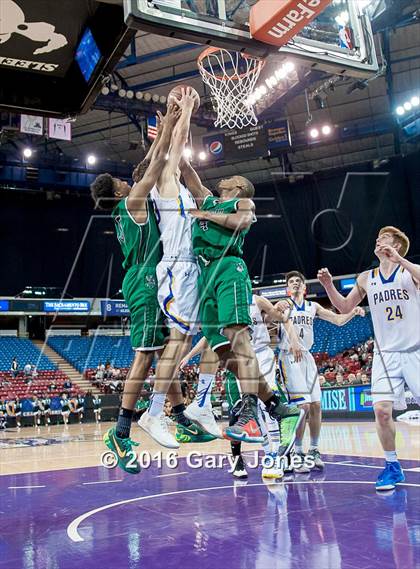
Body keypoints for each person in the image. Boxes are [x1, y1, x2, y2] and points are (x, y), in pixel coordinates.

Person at [91, 103, 206, 474]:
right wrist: (173, 121)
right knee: (146, 356)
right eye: (122, 181)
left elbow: (152, 168)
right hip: (143, 279)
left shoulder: (128, 207)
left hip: (148, 275)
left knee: (163, 352)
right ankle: (121, 431)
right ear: (118, 191)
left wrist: (165, 133)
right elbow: (155, 167)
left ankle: (178, 413)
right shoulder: (132, 203)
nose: (127, 180)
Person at [188, 171, 303, 446]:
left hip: (228, 268)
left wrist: (204, 216)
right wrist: (174, 133)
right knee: (225, 355)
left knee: (237, 334)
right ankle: (279, 407)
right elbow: (185, 170)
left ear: (238, 186)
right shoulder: (207, 200)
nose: (220, 180)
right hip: (205, 276)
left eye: (228, 179)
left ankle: (250, 410)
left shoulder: (243, 203)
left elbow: (240, 223)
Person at [138, 88, 220, 447]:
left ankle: (201, 404)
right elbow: (170, 159)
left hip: (193, 271)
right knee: (179, 340)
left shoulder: (182, 191)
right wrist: (184, 111)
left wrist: (176, 123)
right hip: (176, 272)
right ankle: (154, 412)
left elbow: (178, 158)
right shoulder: (163, 189)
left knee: (218, 333)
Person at [318, 225, 420, 490]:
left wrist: (401, 261)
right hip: (385, 355)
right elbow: (344, 307)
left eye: (384, 238)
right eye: (377, 238)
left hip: (415, 350)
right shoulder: (366, 277)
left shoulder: (408, 271)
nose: (378, 240)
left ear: (396, 245)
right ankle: (392, 466)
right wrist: (328, 285)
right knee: (381, 412)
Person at [277, 271, 365, 469]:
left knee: (316, 404)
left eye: (299, 281)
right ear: (287, 289)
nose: (295, 284)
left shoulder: (313, 307)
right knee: (302, 406)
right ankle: (296, 452)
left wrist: (353, 312)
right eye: (291, 282)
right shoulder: (284, 305)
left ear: (305, 287)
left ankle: (314, 449)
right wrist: (293, 341)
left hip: (306, 357)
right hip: (289, 356)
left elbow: (337, 320)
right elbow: (282, 320)